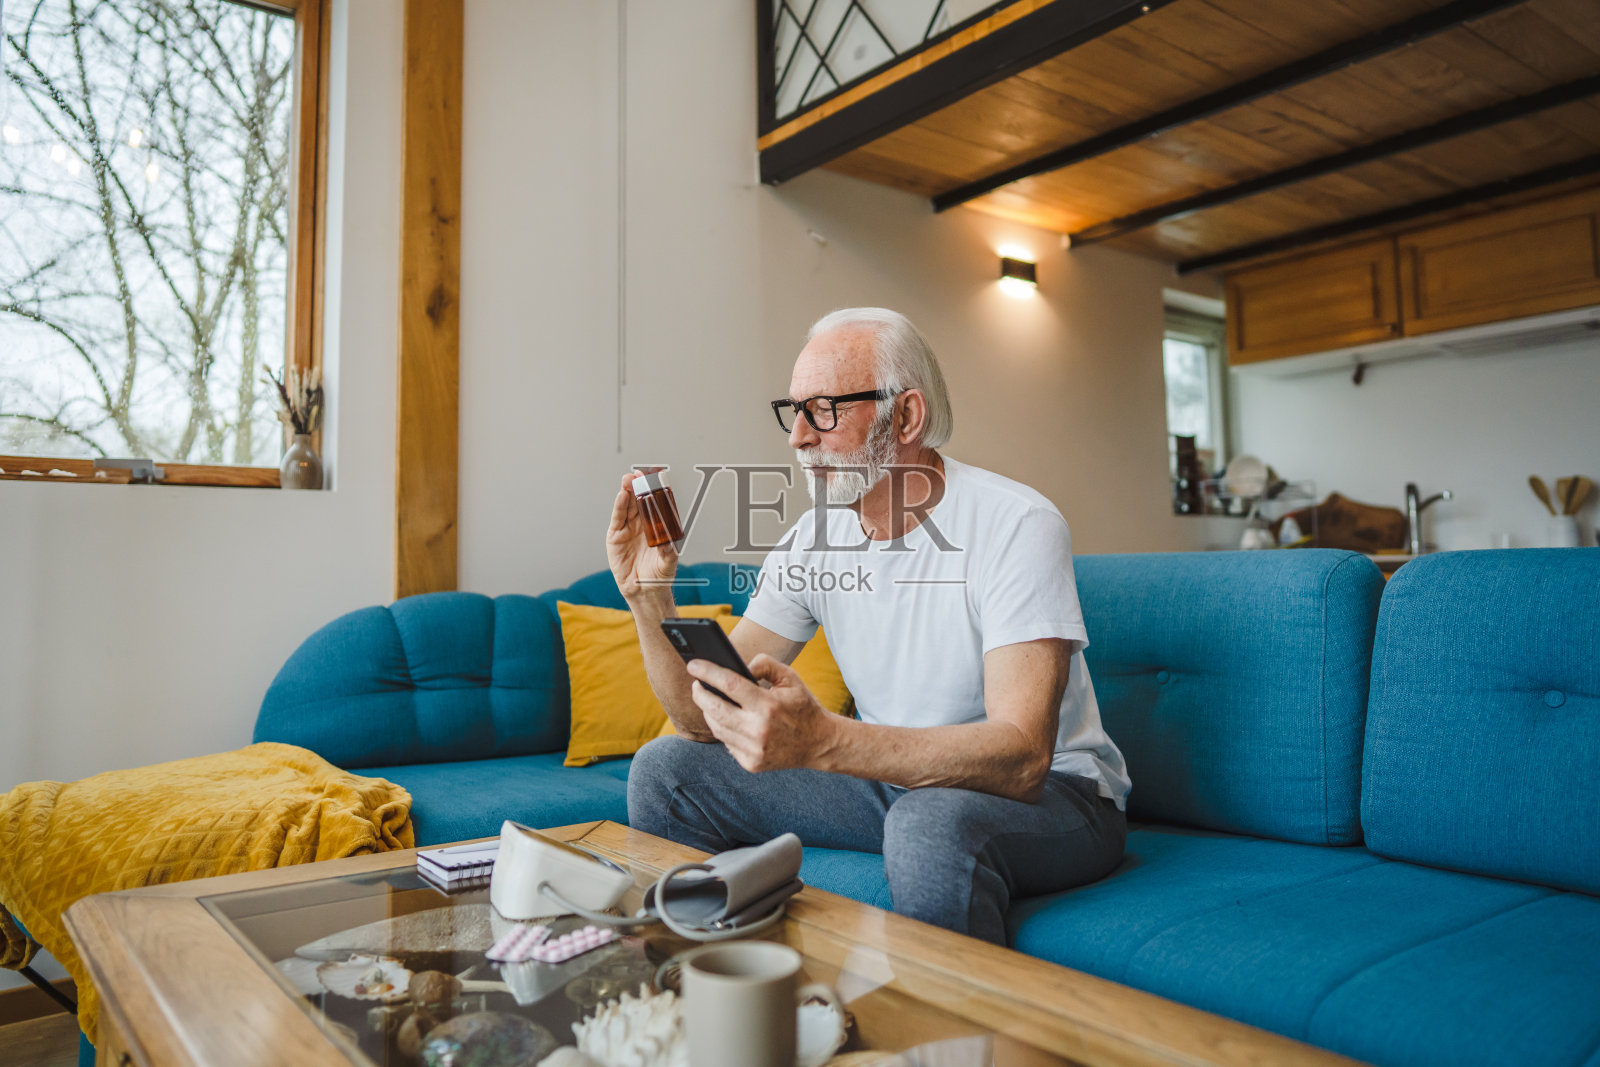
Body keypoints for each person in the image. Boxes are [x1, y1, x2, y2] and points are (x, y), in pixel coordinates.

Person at [609, 307, 1129, 945]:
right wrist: (649, 596)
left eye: (823, 410)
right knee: (666, 772)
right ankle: (722, 990)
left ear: (906, 417)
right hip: (893, 782)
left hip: (1055, 796)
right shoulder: (812, 540)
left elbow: (1022, 757)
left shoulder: (1015, 523)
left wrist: (825, 740)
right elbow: (701, 716)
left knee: (929, 823)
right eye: (792, 410)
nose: (798, 437)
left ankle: (946, 1044)